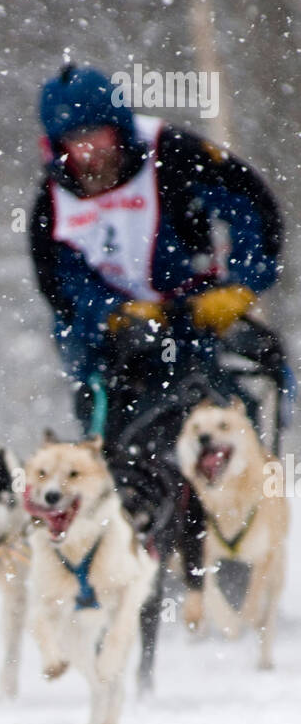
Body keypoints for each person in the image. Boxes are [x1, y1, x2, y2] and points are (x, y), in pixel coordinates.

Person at [30, 64, 287, 441]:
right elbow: (60, 283)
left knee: (241, 382)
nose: (90, 153)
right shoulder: (51, 202)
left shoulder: (175, 153)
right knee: (102, 397)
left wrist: (241, 286)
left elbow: (252, 208)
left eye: (98, 136)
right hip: (111, 329)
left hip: (192, 309)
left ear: (119, 128)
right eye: (75, 140)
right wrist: (111, 312)